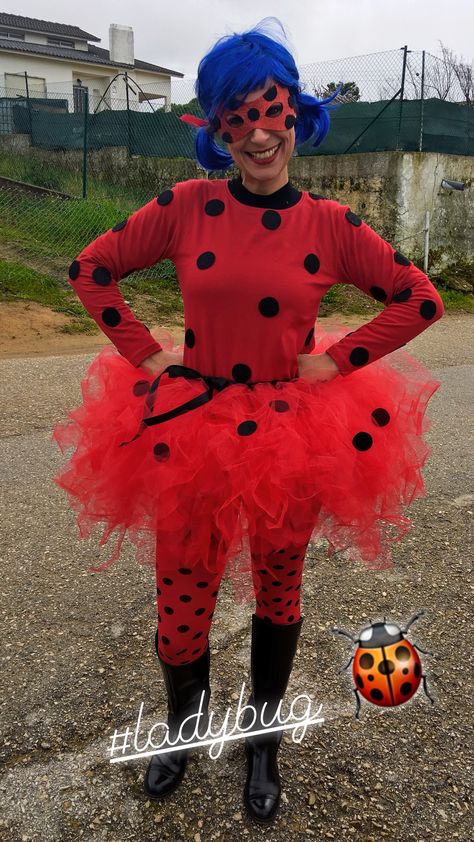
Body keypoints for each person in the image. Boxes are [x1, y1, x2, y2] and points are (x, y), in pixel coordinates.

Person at [53, 17, 444, 825]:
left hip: (291, 433)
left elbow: (420, 298)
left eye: (272, 114)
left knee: (278, 592)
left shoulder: (332, 226)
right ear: (217, 129)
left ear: (296, 115)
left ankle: (260, 742)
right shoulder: (185, 206)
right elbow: (90, 270)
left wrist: (338, 361)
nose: (258, 135)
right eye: (237, 119)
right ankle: (185, 729)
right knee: (183, 595)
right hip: (191, 425)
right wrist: (146, 356)